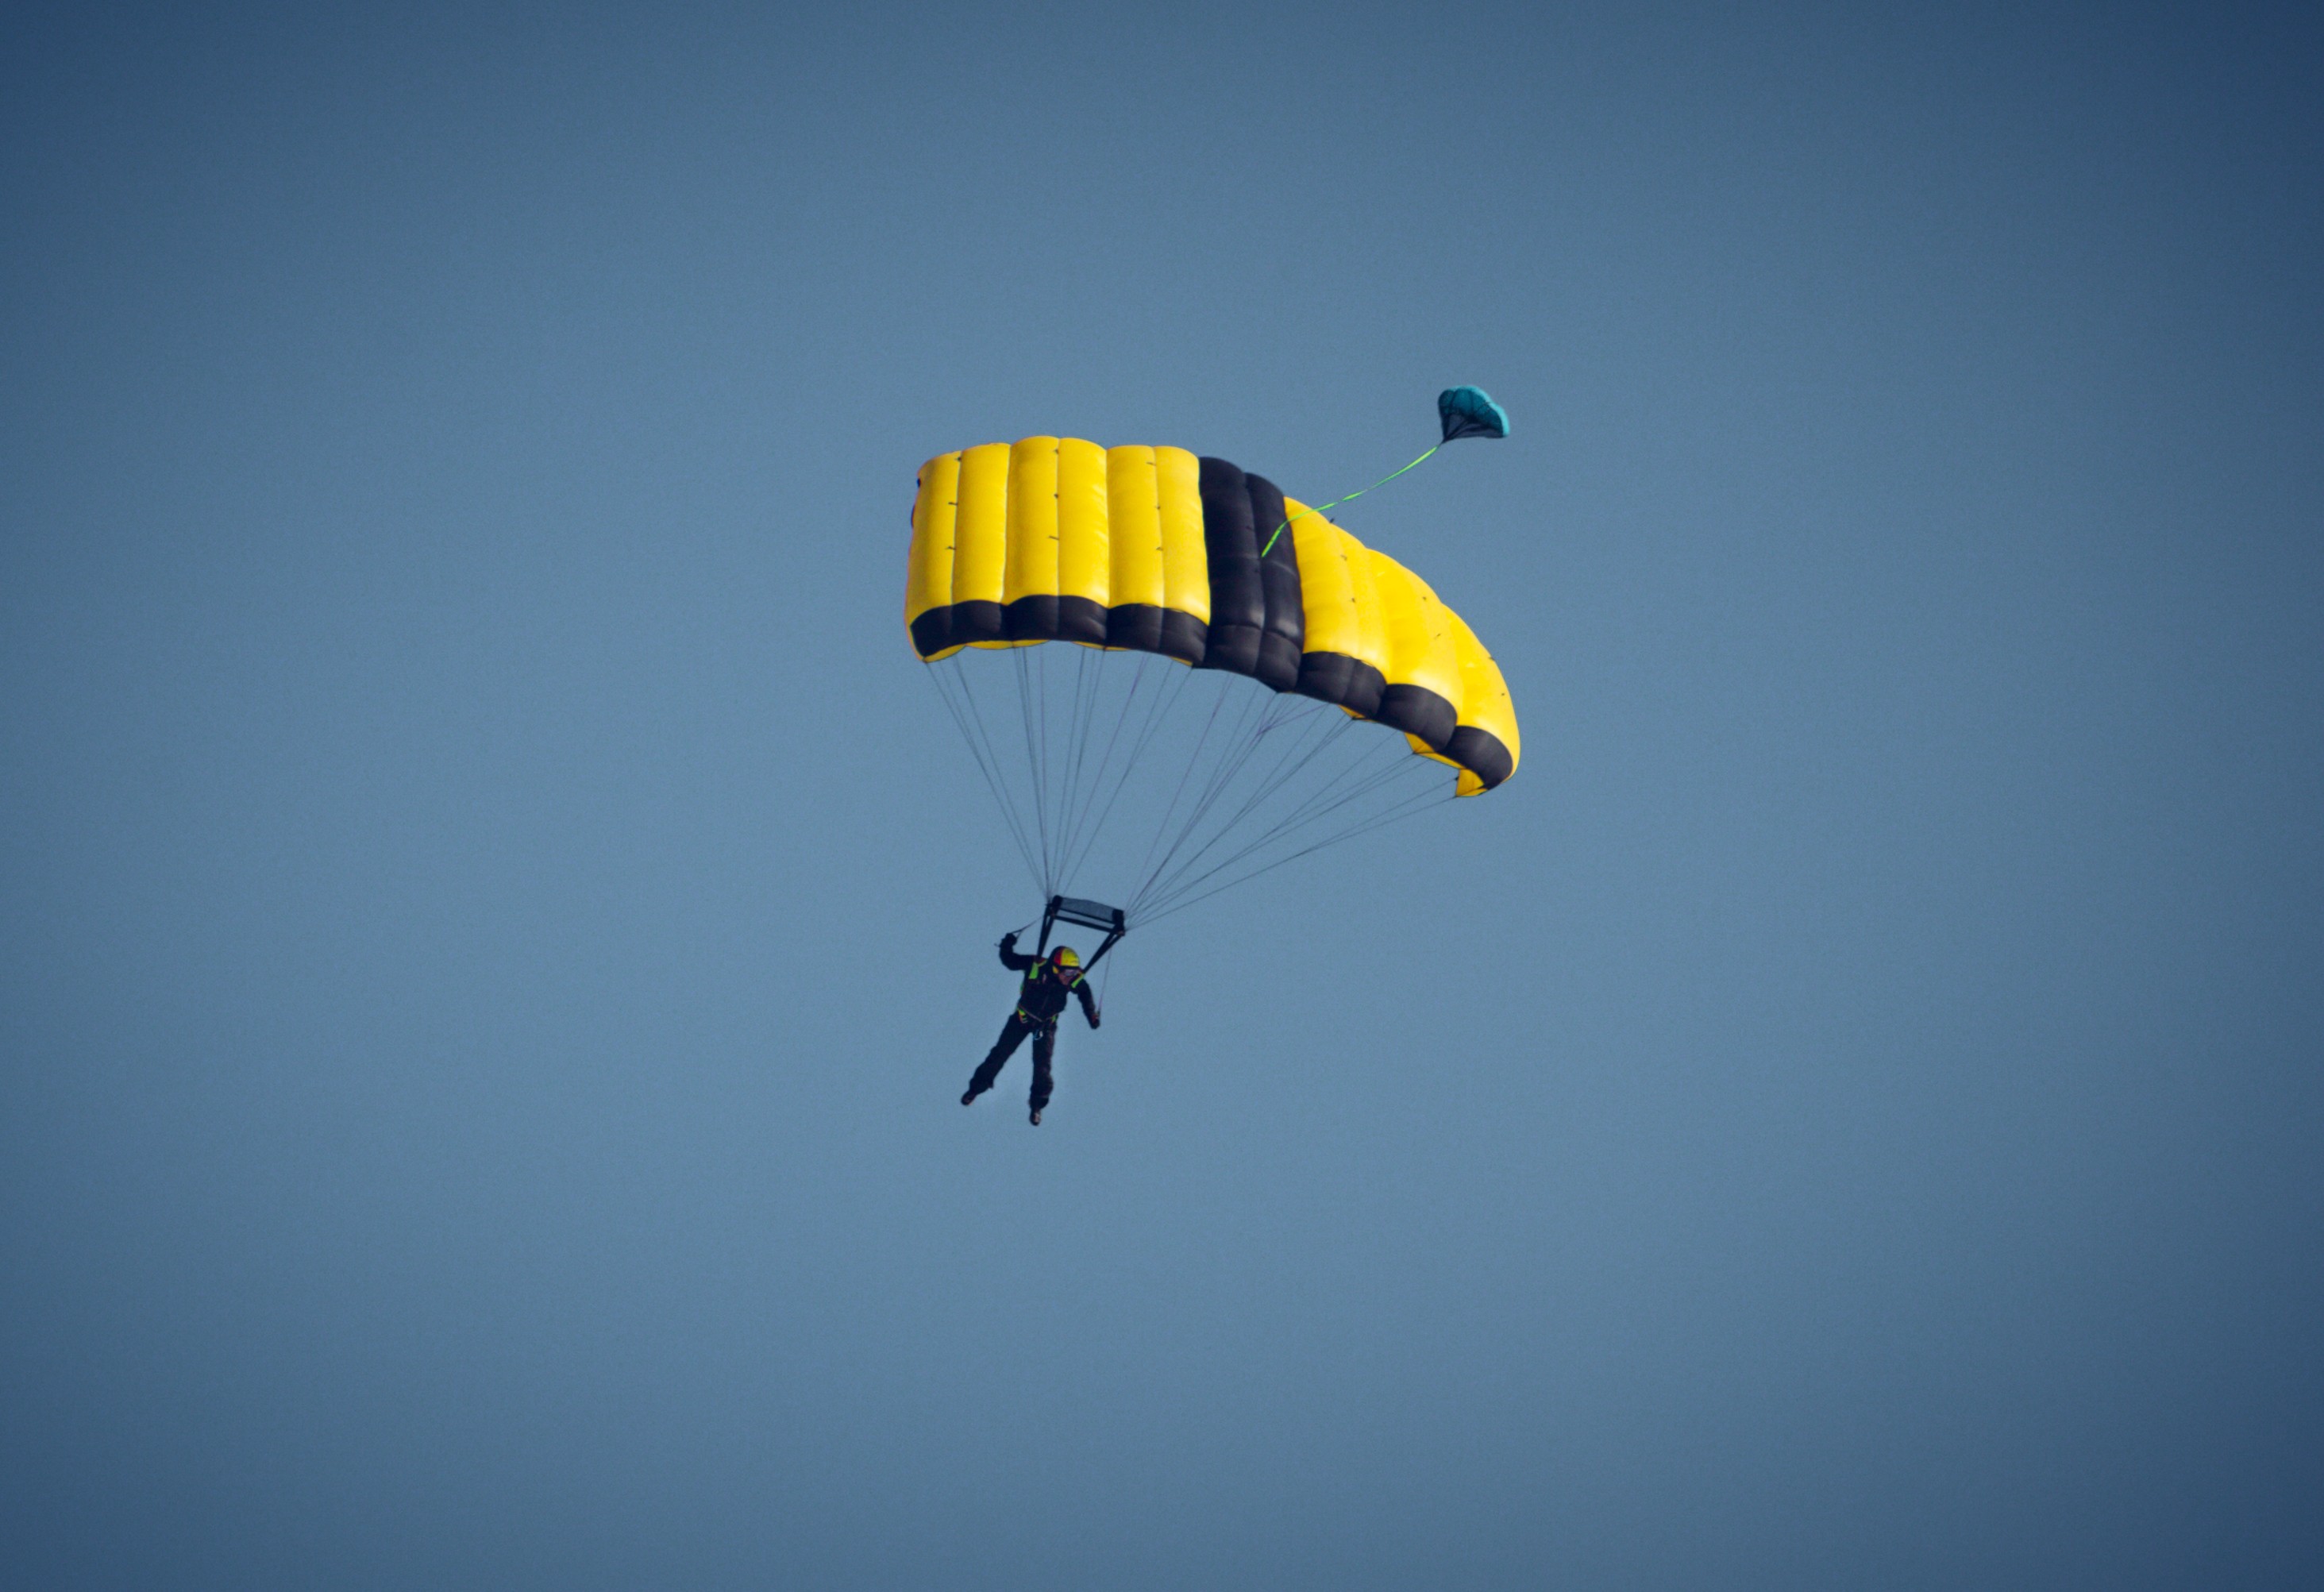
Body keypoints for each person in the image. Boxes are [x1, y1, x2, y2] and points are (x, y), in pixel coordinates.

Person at [961, 931, 1100, 1124]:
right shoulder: (1036, 966)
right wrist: (1007, 944)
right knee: (999, 1055)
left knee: (1042, 1066)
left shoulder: (1072, 980)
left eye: (1074, 972)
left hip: (1043, 1028)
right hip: (1021, 1021)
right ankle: (975, 1090)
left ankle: (1037, 1105)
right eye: (1068, 972)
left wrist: (1091, 1015)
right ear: (1055, 968)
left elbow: (1085, 993)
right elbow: (1010, 961)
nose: (1071, 977)